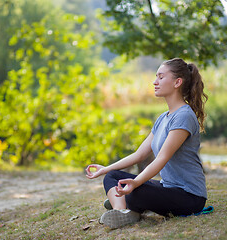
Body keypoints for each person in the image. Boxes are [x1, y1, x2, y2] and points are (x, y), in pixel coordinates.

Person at [86, 58, 208, 229]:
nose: (154, 82)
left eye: (160, 77)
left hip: (189, 196)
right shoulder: (162, 119)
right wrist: (106, 168)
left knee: (136, 191)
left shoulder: (184, 116)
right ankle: (122, 212)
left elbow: (161, 159)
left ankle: (129, 203)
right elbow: (139, 155)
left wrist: (136, 183)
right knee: (113, 177)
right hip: (168, 188)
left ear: (177, 82)